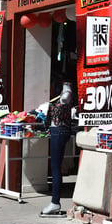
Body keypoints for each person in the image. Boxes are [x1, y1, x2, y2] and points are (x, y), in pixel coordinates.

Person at [41, 81, 73, 216]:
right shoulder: (63, 96)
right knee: (55, 167)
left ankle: (55, 202)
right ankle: (54, 202)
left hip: (59, 131)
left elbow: (65, 98)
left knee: (55, 168)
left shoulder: (66, 95)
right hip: (59, 131)